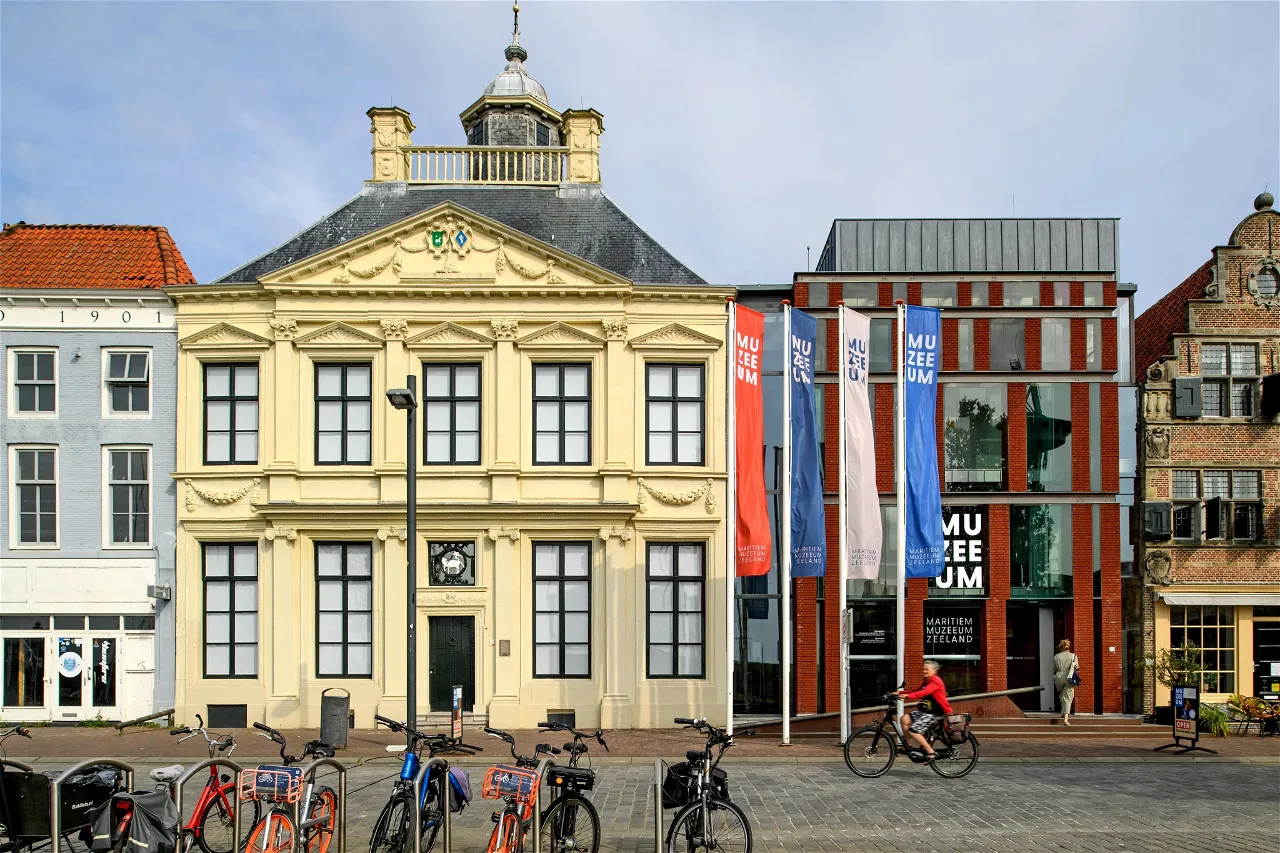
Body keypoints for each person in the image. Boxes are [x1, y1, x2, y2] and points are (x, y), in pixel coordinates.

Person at [895, 660, 952, 760]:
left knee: (914, 730)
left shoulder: (935, 681)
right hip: (926, 711)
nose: (924, 671)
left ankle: (931, 752)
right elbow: (917, 691)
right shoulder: (927, 681)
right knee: (904, 719)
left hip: (936, 712)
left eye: (926, 669)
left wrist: (907, 696)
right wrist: (899, 693)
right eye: (923, 669)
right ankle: (908, 747)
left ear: (933, 670)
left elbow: (924, 693)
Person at [1053, 639, 1079, 726]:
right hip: (1069, 677)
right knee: (1068, 697)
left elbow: (1055, 668)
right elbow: (1077, 667)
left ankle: (1063, 712)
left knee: (1062, 695)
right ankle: (1065, 720)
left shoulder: (1056, 656)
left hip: (1058, 677)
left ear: (1061, 647)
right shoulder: (1073, 656)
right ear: (1069, 647)